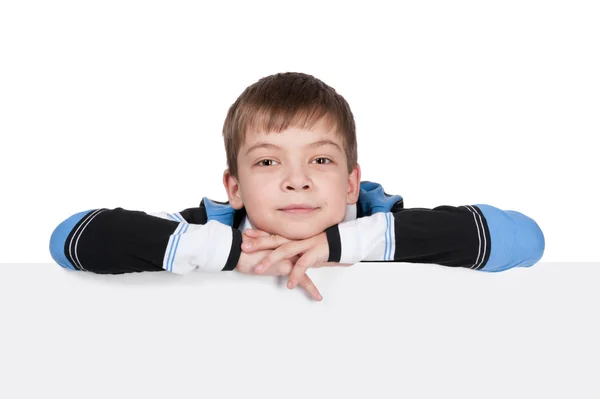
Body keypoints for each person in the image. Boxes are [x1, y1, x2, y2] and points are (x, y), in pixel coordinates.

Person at [49, 72, 545, 301]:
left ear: (352, 182)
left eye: (321, 159)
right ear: (235, 187)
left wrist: (341, 243)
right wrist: (231, 252)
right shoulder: (209, 232)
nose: (297, 180)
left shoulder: (386, 226)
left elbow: (527, 239)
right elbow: (70, 237)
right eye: (268, 161)